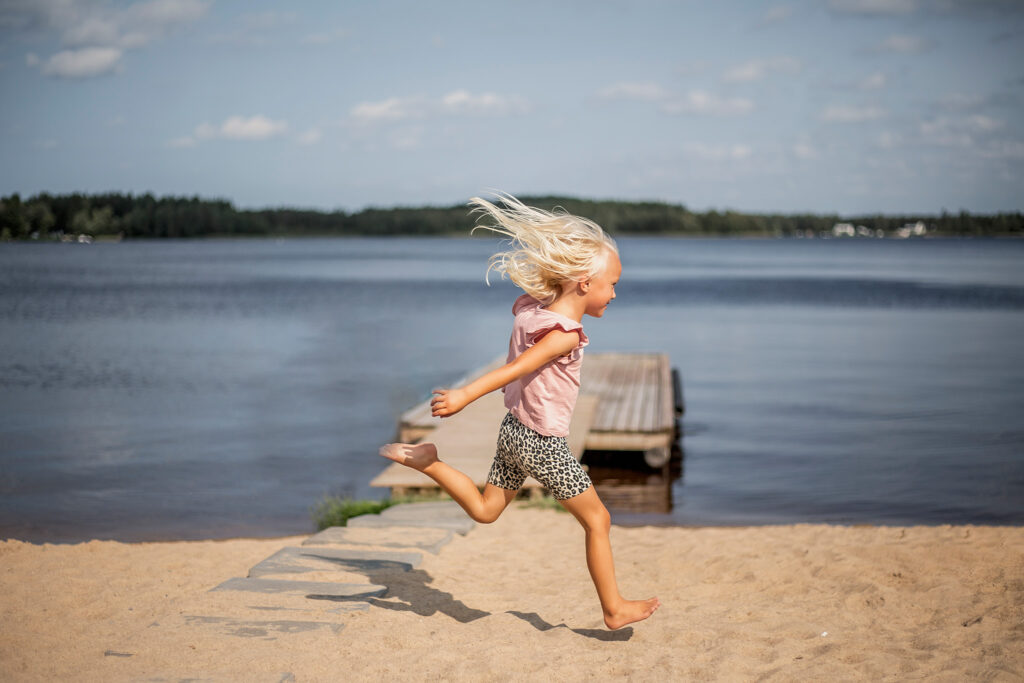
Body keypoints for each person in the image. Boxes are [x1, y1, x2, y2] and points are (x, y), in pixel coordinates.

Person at [379, 193, 660, 630]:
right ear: (585, 283)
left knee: (487, 510)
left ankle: (430, 462)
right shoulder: (566, 334)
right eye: (613, 284)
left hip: (513, 432)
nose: (615, 293)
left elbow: (544, 301)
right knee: (598, 519)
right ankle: (613, 608)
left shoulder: (532, 309)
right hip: (543, 443)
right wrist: (463, 396)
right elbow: (515, 368)